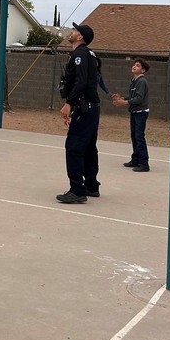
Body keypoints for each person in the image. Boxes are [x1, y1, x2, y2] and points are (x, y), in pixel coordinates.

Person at [56, 22, 101, 204]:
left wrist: (69, 104)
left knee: (74, 147)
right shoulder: (90, 55)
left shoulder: (80, 54)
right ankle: (91, 185)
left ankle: (77, 190)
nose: (71, 32)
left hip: (85, 107)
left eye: (74, 31)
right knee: (89, 147)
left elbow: (81, 82)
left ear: (80, 37)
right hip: (91, 106)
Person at [112, 58, 151, 172]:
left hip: (141, 112)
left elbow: (139, 98)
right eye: (134, 65)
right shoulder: (134, 80)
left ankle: (144, 163)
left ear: (143, 70)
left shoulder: (141, 81)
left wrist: (123, 102)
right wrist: (123, 98)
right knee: (134, 136)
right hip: (134, 112)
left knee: (139, 137)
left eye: (138, 66)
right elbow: (133, 97)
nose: (134, 66)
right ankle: (135, 160)